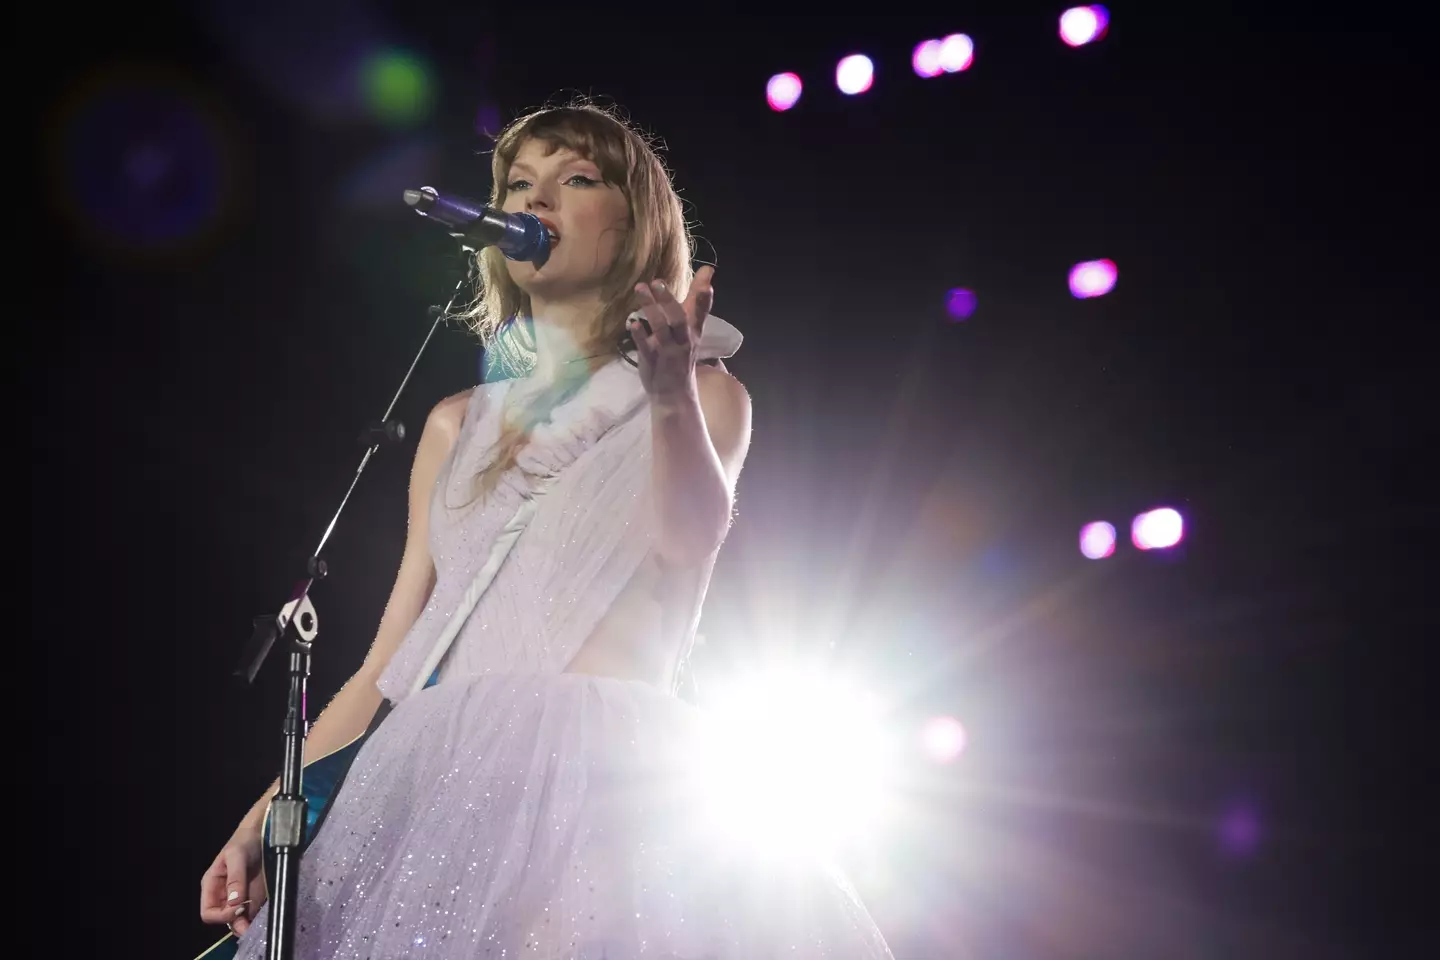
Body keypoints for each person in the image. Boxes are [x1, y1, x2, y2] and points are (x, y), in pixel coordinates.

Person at [198, 101, 893, 959]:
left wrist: (669, 391)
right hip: (432, 785)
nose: (535, 203)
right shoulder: (455, 423)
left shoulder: (705, 396)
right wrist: (267, 819)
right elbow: (388, 664)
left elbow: (689, 543)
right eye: (519, 183)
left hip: (606, 792)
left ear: (635, 220)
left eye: (575, 179)